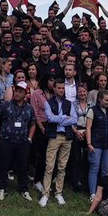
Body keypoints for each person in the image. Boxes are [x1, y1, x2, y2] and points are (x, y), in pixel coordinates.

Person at [0, 80, 36, 201]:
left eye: (20, 92)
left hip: (23, 141)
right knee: (3, 165)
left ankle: (24, 189)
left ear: (25, 94)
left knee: (23, 166)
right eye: (16, 91)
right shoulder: (6, 105)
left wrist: (30, 138)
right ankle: (2, 188)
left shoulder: (29, 108)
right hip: (6, 139)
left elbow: (33, 123)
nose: (17, 94)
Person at [40, 78, 76, 206]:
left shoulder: (70, 103)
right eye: (59, 88)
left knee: (62, 166)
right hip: (54, 136)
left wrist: (59, 119)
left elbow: (74, 119)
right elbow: (50, 118)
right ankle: (45, 194)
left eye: (63, 88)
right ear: (54, 89)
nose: (61, 90)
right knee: (49, 166)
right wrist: (64, 118)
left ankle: (59, 193)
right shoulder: (48, 103)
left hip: (66, 137)